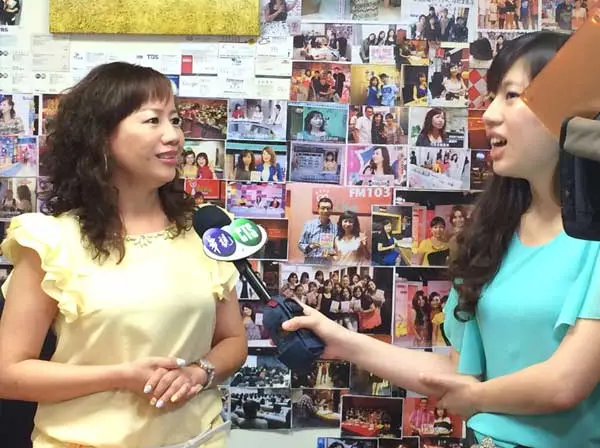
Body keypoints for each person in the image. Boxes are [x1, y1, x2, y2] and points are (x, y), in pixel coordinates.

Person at [282, 32, 600, 448]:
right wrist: (339, 339)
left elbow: (565, 383)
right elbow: (457, 373)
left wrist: (477, 398)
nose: (489, 114)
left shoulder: (592, 241)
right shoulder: (493, 237)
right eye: (492, 96)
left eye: (512, 95)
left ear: (573, 113)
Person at [0, 62, 248, 448]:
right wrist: (121, 376)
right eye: (152, 120)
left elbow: (233, 341)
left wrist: (200, 373)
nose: (174, 135)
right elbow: (9, 374)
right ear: (101, 135)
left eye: (175, 120)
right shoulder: (51, 242)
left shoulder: (204, 229)